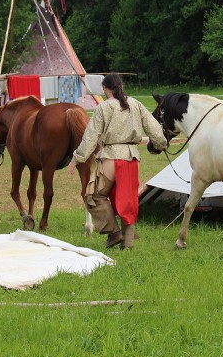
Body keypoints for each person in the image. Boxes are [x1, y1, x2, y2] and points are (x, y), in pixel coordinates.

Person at [68, 73, 167, 249]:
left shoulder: (103, 108)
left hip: (110, 158)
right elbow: (155, 129)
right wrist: (162, 144)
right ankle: (127, 244)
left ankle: (114, 234)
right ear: (121, 87)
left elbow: (90, 137)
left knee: (94, 196)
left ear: (106, 89)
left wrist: (77, 158)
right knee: (129, 200)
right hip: (131, 158)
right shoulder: (136, 104)